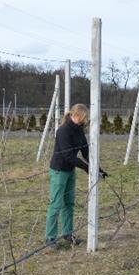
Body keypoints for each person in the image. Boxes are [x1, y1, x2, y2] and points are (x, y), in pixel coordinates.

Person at [45, 103, 108, 249]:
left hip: (70, 171)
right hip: (59, 171)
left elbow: (86, 152)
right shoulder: (63, 131)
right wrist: (87, 168)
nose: (84, 122)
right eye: (84, 118)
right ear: (76, 115)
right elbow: (67, 155)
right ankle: (50, 238)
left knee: (69, 204)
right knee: (55, 204)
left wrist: (98, 169)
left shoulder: (79, 131)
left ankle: (67, 234)